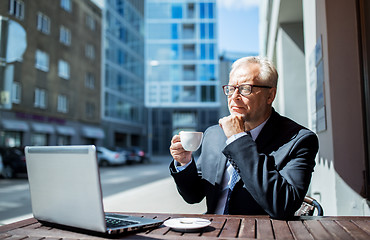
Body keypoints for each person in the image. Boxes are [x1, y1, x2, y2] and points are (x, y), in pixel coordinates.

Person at [169, 56, 319, 219]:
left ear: (270, 96)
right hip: (214, 231)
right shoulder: (214, 134)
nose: (234, 97)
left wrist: (237, 139)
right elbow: (194, 195)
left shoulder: (300, 140)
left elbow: (283, 205)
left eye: (245, 89)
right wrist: (184, 163)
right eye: (231, 89)